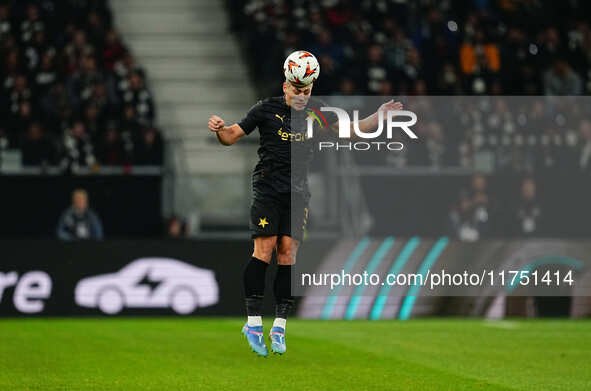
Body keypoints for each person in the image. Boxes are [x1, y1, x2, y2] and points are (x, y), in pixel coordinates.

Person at [208, 50, 402, 356]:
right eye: (298, 90)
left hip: (298, 193)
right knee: (265, 249)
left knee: (288, 254)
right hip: (267, 189)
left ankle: (280, 327)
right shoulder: (265, 110)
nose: (302, 96)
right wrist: (220, 129)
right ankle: (254, 320)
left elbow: (350, 132)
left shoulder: (319, 110)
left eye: (307, 91)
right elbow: (231, 136)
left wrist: (378, 117)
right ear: (286, 86)